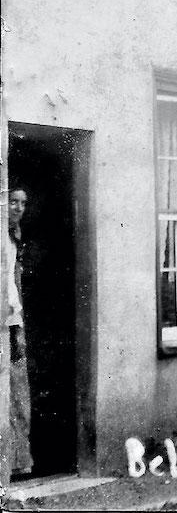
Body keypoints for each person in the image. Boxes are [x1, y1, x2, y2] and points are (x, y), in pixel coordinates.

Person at [6, 186, 33, 476]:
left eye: (22, 203)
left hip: (14, 319)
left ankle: (18, 461)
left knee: (18, 391)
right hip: (9, 320)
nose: (18, 207)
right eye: (13, 201)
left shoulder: (16, 235)